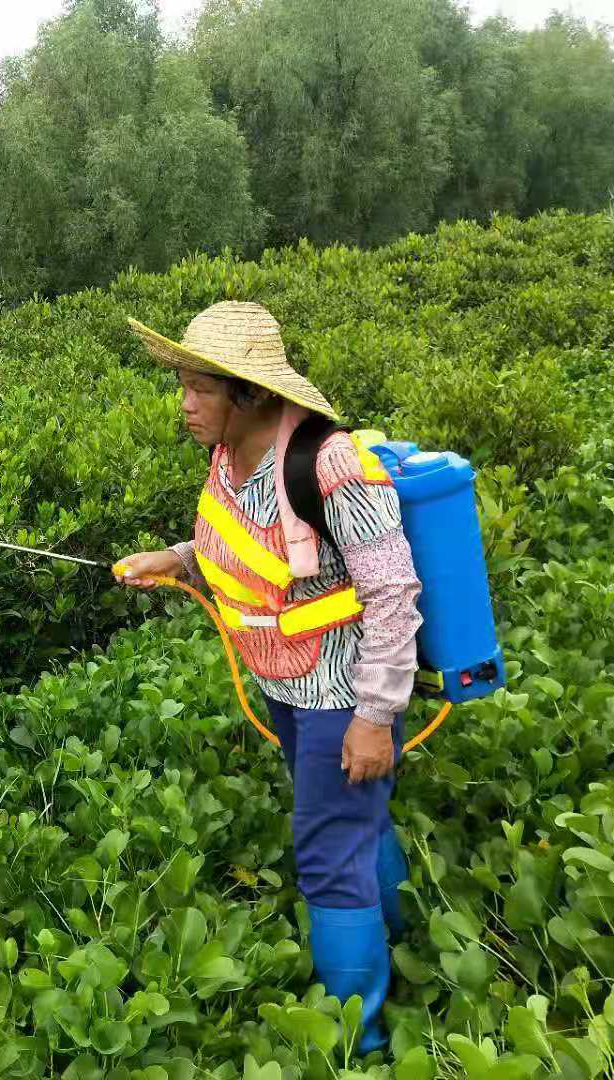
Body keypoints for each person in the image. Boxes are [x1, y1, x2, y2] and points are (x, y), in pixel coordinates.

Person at [117, 301, 423, 1056]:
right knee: (358, 822)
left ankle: (362, 1045)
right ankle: (413, 943)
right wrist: (178, 558)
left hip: (342, 695)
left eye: (199, 388)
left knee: (325, 856)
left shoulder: (329, 465)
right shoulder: (230, 454)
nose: (185, 404)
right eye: (183, 385)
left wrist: (374, 716)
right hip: (286, 688)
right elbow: (253, 543)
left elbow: (393, 591)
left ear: (249, 393)